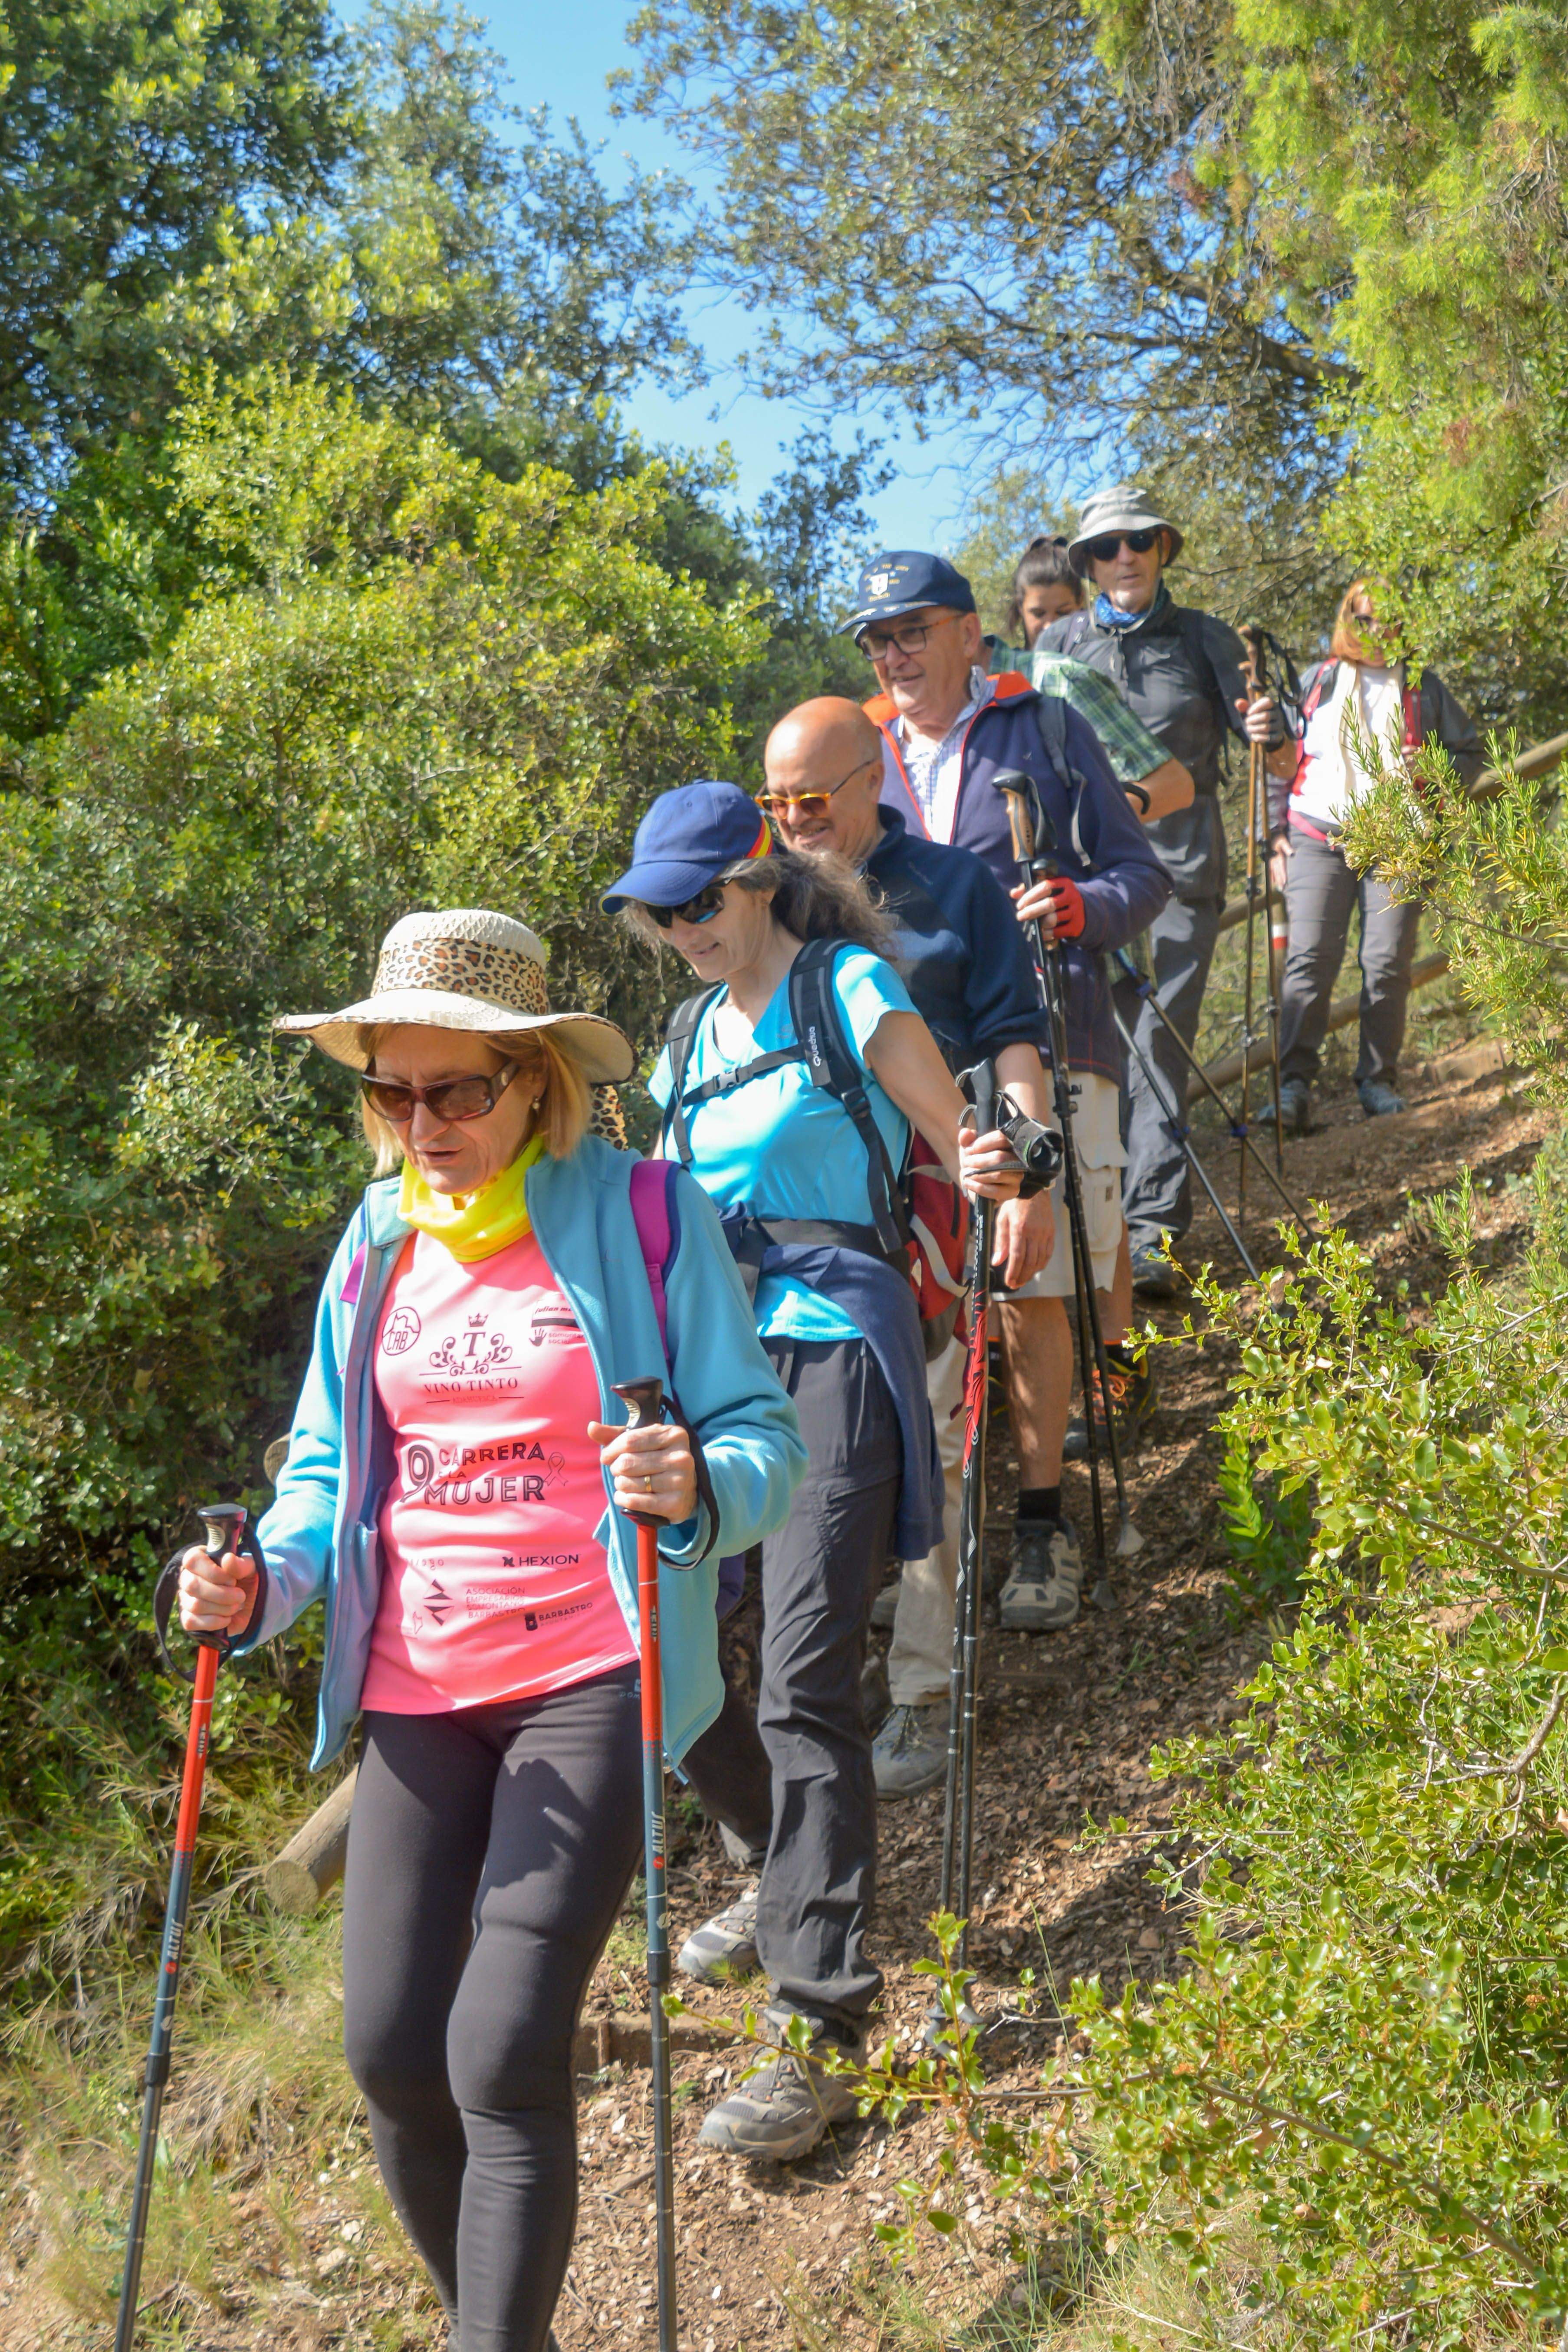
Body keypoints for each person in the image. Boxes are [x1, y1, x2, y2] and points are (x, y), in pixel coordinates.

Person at [175, 907, 806, 2352]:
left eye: (457, 1088)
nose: (423, 1119)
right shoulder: (376, 1235)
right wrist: (256, 1583)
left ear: (532, 1079)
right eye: (391, 1090)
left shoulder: (642, 1212)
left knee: (501, 2046)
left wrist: (695, 1477)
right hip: (416, 1684)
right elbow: (324, 1468)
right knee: (394, 2052)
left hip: (589, 1665)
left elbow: (763, 1436)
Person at [602, 781, 1026, 2158]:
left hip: (837, 1344)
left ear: (759, 877)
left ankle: (822, 2018)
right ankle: (784, 1875)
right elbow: (655, 1209)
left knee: (799, 1672)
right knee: (677, 1665)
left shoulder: (841, 987)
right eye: (657, 913)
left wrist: (994, 1160)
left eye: (696, 902)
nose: (678, 930)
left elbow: (954, 1134)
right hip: (711, 1376)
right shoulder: (679, 1037)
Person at [849, 551, 1170, 1630]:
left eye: (910, 631)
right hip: (902, 1060)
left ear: (968, 630)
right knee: (920, 1279)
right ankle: (920, 1540)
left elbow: (1143, 873)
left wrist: (1087, 906)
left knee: (1034, 1285)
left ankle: (1040, 1522)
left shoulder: (1043, 724)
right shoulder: (859, 749)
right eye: (876, 639)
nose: (893, 655)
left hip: (1052, 1028)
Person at [760, 694, 1057, 1794]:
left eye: (812, 799)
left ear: (872, 776)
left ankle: (925, 1694)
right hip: (798, 1235)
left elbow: (1013, 1043)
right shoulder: (765, 903)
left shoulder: (956, 888)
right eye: (776, 803)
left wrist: (1026, 1178)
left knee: (937, 1436)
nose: (796, 822)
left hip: (932, 1216)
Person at [1035, 486, 1282, 1299]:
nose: (1123, 557)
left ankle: (1150, 1233)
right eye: (1104, 548)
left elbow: (1275, 765)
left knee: (1161, 1045)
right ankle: (1093, 1227)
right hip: (1090, 878)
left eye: (1138, 540)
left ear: (1163, 547)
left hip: (1180, 872)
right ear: (1086, 565)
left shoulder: (1208, 639)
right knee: (1098, 1049)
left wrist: (1268, 737)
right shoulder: (1060, 645)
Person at [1265, 580, 1484, 1128]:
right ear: (1347, 620)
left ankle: (1377, 1081)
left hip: (1398, 837)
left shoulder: (1423, 688)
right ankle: (1293, 1088)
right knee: (1308, 961)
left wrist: (1430, 778)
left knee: (1386, 962)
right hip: (1317, 835)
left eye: (1387, 620)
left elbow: (1469, 754)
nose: (1375, 631)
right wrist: (1271, 833)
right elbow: (1277, 756)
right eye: (1363, 620)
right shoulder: (1317, 681)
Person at [987, 533, 1197, 826]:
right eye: (1038, 613)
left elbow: (1167, 783)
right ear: (1019, 611)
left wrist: (1089, 823)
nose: (1050, 624)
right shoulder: (999, 683)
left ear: (1082, 604)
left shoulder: (1078, 678)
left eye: (1063, 612)